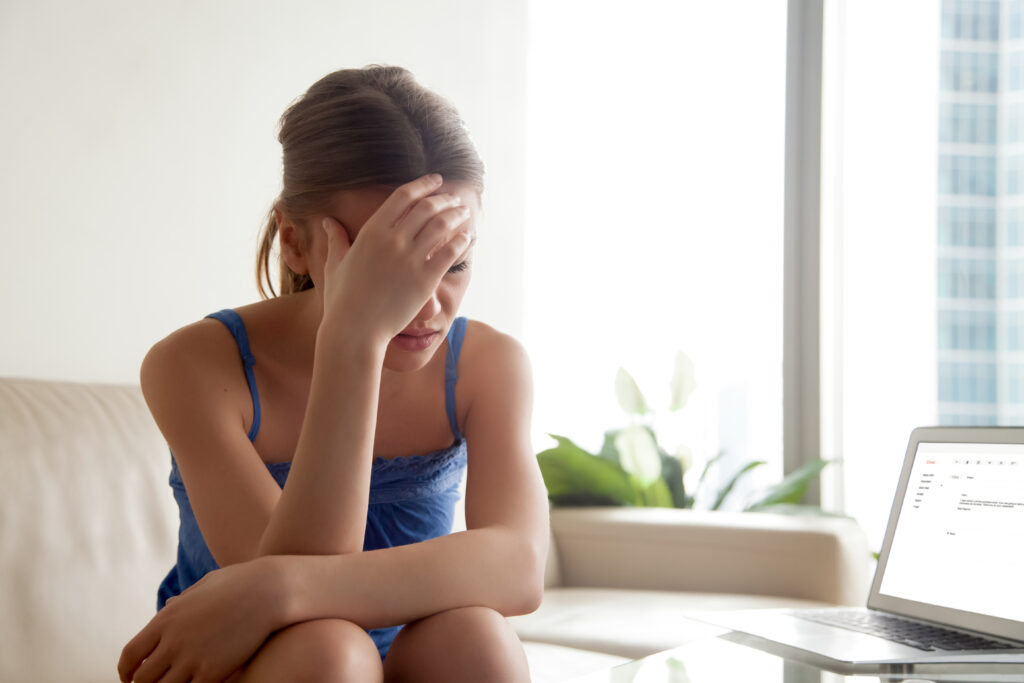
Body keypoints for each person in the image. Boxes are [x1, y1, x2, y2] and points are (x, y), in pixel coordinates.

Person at [117, 65, 549, 683]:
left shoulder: (486, 364)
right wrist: (353, 342)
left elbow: (520, 567)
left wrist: (278, 585)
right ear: (294, 242)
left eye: (452, 263)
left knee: (475, 636)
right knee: (329, 650)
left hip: (398, 660)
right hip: (255, 662)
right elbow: (289, 626)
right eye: (383, 266)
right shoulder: (194, 365)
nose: (426, 305)